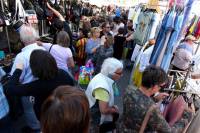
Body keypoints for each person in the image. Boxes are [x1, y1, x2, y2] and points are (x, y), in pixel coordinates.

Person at [119, 65, 193, 132]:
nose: (160, 89)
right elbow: (169, 131)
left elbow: (137, 103)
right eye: (161, 86)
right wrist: (185, 118)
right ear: (154, 86)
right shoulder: (152, 110)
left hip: (121, 128)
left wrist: (153, 97)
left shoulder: (129, 89)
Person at [4, 50, 75, 120]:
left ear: (35, 68)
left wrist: (18, 70)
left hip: (49, 118)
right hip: (67, 110)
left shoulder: (37, 86)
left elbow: (9, 89)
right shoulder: (63, 73)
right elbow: (72, 86)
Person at [10, 24, 45, 132]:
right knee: (43, 109)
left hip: (28, 91)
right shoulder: (43, 49)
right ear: (35, 37)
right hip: (43, 87)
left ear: (21, 39)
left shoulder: (21, 56)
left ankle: (36, 129)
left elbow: (16, 78)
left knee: (31, 113)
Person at [85, 57, 123, 132]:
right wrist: (114, 110)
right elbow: (104, 110)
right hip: (94, 117)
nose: (122, 75)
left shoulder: (101, 75)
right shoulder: (103, 87)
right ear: (111, 73)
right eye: (119, 73)